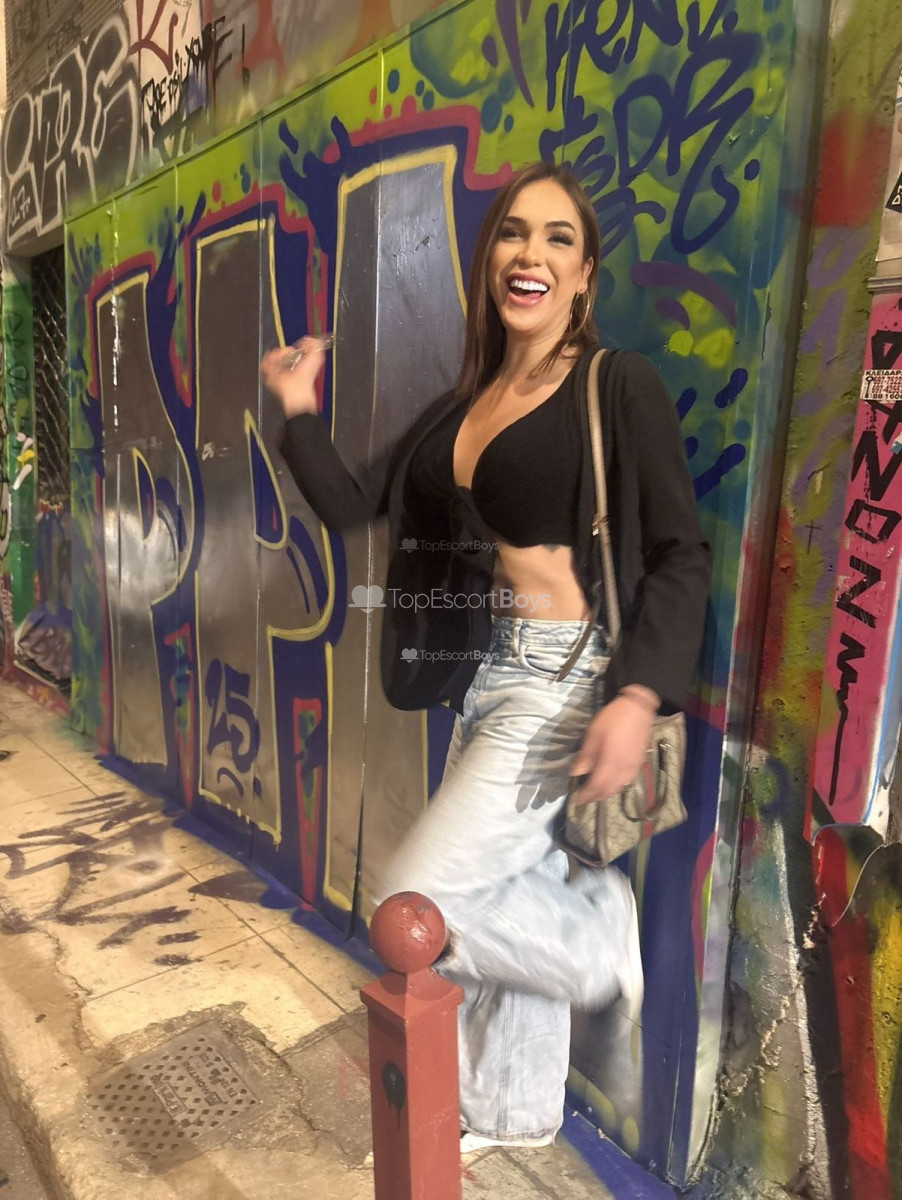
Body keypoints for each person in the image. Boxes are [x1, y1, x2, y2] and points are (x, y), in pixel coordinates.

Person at [262, 162, 711, 1153]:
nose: (529, 253)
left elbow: (681, 553)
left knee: (414, 902)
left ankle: (596, 942)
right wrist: (295, 408)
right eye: (513, 231)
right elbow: (352, 504)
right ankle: (513, 1111)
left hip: (563, 677)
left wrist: (637, 694)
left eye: (557, 238)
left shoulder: (612, 385)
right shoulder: (461, 404)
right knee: (499, 886)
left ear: (583, 275)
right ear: (488, 258)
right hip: (488, 675)